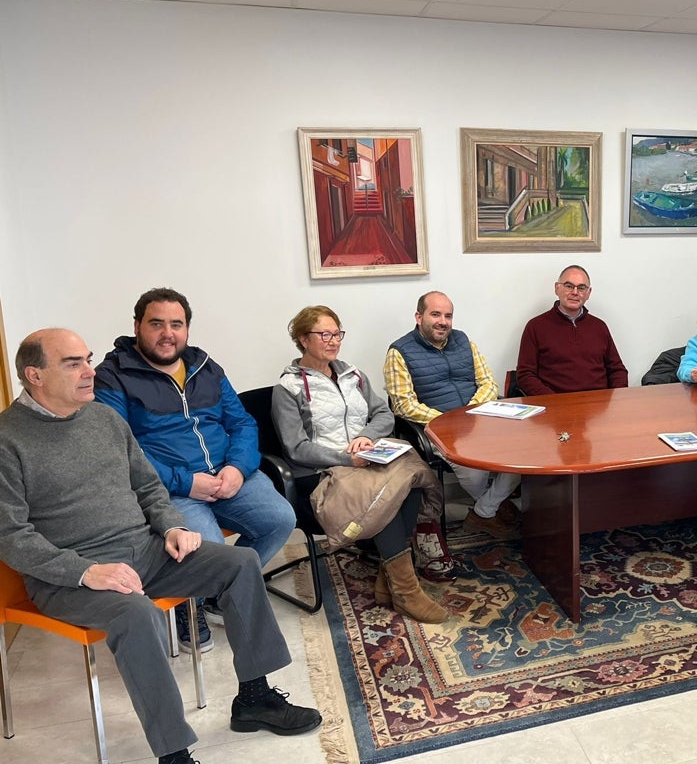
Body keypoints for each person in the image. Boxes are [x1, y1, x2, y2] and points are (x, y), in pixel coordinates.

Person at [0, 329, 321, 764]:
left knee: (240, 562)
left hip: (145, 552)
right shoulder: (8, 440)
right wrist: (85, 572)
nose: (89, 371)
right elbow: (10, 537)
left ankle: (254, 698)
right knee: (136, 613)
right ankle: (173, 753)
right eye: (72, 363)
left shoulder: (104, 419)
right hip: (70, 577)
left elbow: (148, 487)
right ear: (33, 375)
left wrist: (171, 527)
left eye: (88, 359)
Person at [94, 287, 296, 653]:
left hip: (228, 476)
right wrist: (185, 481)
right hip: (170, 489)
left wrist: (237, 467)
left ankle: (215, 596)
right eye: (156, 323)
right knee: (210, 551)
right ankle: (193, 607)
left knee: (280, 519)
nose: (167, 333)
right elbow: (119, 450)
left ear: (187, 328)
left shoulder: (206, 367)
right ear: (137, 326)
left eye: (177, 324)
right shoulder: (112, 376)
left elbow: (243, 424)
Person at [272, 306, 449, 622]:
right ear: (302, 338)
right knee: (383, 496)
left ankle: (387, 580)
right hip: (323, 471)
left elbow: (383, 414)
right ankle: (406, 591)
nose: (333, 340)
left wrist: (366, 438)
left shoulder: (353, 375)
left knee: (411, 477)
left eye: (337, 333)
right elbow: (295, 447)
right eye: (324, 334)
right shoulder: (288, 388)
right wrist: (346, 458)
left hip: (363, 458)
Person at [384, 291, 521, 539]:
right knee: (473, 468)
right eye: (435, 314)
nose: (443, 321)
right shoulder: (399, 352)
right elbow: (403, 405)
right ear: (419, 316)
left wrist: (471, 411)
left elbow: (488, 383)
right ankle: (492, 508)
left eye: (448, 315)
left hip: (479, 418)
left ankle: (484, 511)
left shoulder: (463, 341)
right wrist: (447, 420)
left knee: (522, 453)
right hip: (439, 427)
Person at [516, 264, 628, 395]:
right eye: (569, 286)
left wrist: (616, 400)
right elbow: (525, 376)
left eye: (581, 288)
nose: (575, 292)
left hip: (598, 405)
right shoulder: (536, 326)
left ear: (588, 293)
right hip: (555, 407)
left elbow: (617, 370)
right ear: (557, 288)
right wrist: (554, 402)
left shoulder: (599, 326)